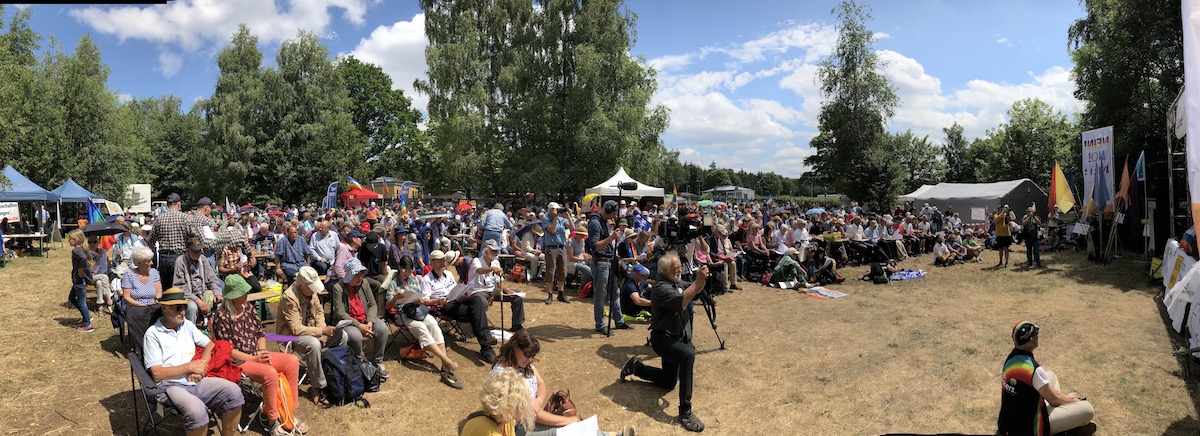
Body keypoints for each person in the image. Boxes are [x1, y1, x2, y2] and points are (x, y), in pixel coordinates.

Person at [620, 254, 707, 432]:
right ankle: (685, 412)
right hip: (662, 339)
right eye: (676, 267)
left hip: (674, 337)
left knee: (668, 382)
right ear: (665, 270)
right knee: (688, 354)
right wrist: (698, 280)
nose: (680, 269)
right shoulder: (661, 287)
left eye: (680, 266)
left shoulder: (675, 282)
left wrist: (702, 279)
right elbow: (681, 302)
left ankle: (636, 368)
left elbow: (694, 290)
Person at [211, 276, 308, 436]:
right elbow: (227, 350)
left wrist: (262, 351)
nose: (247, 294)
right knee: (270, 373)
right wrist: (254, 359)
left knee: (292, 361)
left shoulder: (248, 307)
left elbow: (259, 334)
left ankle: (289, 412)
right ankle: (272, 419)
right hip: (238, 361)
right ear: (233, 295)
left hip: (256, 354)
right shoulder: (222, 316)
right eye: (243, 292)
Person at [493, 330, 636, 436]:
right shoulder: (503, 374)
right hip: (517, 428)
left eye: (533, 356)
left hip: (532, 419)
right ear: (515, 347)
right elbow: (530, 413)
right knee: (569, 430)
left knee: (572, 428)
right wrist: (567, 421)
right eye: (527, 354)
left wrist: (539, 400)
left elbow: (541, 383)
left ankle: (611, 435)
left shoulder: (522, 363)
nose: (530, 359)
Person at [142, 289, 244, 436]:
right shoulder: (153, 334)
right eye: (178, 308)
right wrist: (190, 367)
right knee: (197, 411)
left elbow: (210, 345)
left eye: (184, 307)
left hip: (196, 380)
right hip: (170, 385)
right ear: (164, 308)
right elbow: (157, 373)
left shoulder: (187, 326)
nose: (183, 312)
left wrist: (201, 366)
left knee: (234, 392)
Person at [998, 321, 1096, 436]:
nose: (1037, 337)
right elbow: (1053, 400)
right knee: (1087, 410)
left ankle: (1064, 415)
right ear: (1031, 341)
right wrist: (1072, 400)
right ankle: (1064, 427)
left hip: (1007, 423)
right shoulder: (1033, 369)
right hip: (1030, 428)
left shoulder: (1011, 360)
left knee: (1051, 376)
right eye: (1036, 335)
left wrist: (1062, 399)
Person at [385, 255, 462, 389]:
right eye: (405, 270)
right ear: (399, 268)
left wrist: (419, 300)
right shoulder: (393, 284)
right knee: (421, 328)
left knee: (433, 324)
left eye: (410, 270)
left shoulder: (414, 280)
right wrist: (396, 299)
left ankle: (445, 366)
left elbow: (422, 297)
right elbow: (388, 307)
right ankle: (446, 361)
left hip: (417, 310)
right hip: (403, 313)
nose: (408, 273)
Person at [275, 266, 345, 407]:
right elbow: (296, 329)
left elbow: (319, 312)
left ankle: (336, 373)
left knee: (342, 335)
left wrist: (322, 331)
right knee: (313, 344)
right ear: (302, 285)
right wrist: (321, 331)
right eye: (311, 287)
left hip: (312, 330)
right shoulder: (289, 297)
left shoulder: (310, 292)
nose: (314, 291)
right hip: (290, 337)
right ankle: (318, 387)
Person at [329, 258, 390, 380]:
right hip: (349, 322)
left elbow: (373, 305)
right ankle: (359, 361)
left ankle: (378, 361)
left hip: (366, 318)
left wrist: (370, 322)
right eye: (356, 274)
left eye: (361, 274)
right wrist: (359, 325)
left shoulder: (365, 283)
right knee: (356, 336)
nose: (360, 277)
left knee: (382, 328)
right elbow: (340, 312)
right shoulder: (338, 288)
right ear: (349, 275)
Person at [586, 200, 625, 335]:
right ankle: (600, 324)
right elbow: (595, 246)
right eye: (613, 213)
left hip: (609, 261)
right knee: (600, 295)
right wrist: (612, 237)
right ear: (607, 209)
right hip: (600, 262)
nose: (614, 216)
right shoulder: (595, 223)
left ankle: (619, 320)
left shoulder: (602, 221)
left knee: (615, 292)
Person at [461, 368, 537, 436]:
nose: (527, 404)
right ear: (511, 407)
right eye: (523, 403)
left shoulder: (506, 417)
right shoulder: (489, 432)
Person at [122, 247, 165, 348]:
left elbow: (159, 292)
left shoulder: (154, 272)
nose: (151, 263)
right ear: (140, 262)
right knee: (138, 314)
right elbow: (126, 297)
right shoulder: (129, 274)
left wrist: (155, 301)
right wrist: (141, 305)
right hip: (136, 306)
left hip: (153, 304)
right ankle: (141, 343)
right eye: (148, 261)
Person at [173, 236, 222, 324]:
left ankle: (216, 332)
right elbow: (179, 286)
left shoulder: (203, 259)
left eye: (199, 250)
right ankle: (189, 333)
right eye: (195, 250)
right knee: (192, 307)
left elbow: (212, 279)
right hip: (188, 296)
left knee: (220, 305)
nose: (198, 253)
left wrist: (217, 293)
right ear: (187, 250)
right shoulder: (180, 261)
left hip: (204, 293)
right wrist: (196, 300)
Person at [148, 193, 191, 282]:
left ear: (167, 205)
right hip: (179, 256)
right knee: (179, 286)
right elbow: (191, 235)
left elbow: (151, 240)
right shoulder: (185, 217)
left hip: (163, 257)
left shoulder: (159, 219)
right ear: (179, 204)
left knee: (166, 288)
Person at [542, 202, 572, 304]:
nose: (557, 211)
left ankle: (561, 293)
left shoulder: (562, 220)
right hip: (551, 248)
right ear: (550, 209)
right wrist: (554, 218)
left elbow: (572, 228)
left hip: (562, 247)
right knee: (551, 271)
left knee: (563, 271)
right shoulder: (546, 219)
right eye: (555, 209)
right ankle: (550, 294)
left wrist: (568, 216)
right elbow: (553, 230)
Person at [67, 229, 95, 333]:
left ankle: (88, 324)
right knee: (71, 298)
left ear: (76, 240)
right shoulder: (81, 248)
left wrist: (81, 271)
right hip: (77, 280)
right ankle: (86, 315)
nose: (69, 241)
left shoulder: (76, 250)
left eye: (71, 239)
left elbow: (83, 259)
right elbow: (91, 257)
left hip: (79, 280)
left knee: (81, 301)